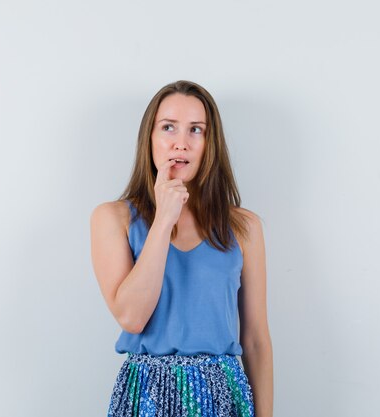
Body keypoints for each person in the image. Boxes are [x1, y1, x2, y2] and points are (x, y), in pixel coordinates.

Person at [90, 80, 273, 417]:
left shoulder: (244, 227)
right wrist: (163, 219)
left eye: (196, 130)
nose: (181, 143)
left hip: (223, 395)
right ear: (150, 138)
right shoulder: (113, 218)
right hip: (146, 395)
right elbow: (132, 317)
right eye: (168, 127)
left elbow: (256, 339)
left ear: (209, 143)